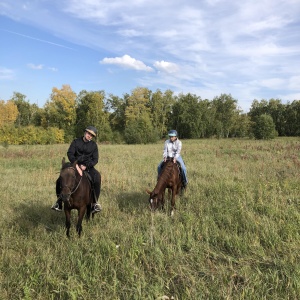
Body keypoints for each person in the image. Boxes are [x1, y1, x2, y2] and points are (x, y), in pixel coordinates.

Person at [51, 126, 102, 214]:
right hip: (74, 165)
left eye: (92, 135)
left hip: (88, 167)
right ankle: (59, 202)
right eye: (88, 133)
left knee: (97, 177)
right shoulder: (76, 142)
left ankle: (94, 203)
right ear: (85, 132)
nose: (89, 136)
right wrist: (76, 164)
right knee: (60, 179)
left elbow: (95, 159)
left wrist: (86, 166)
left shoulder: (94, 145)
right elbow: (70, 153)